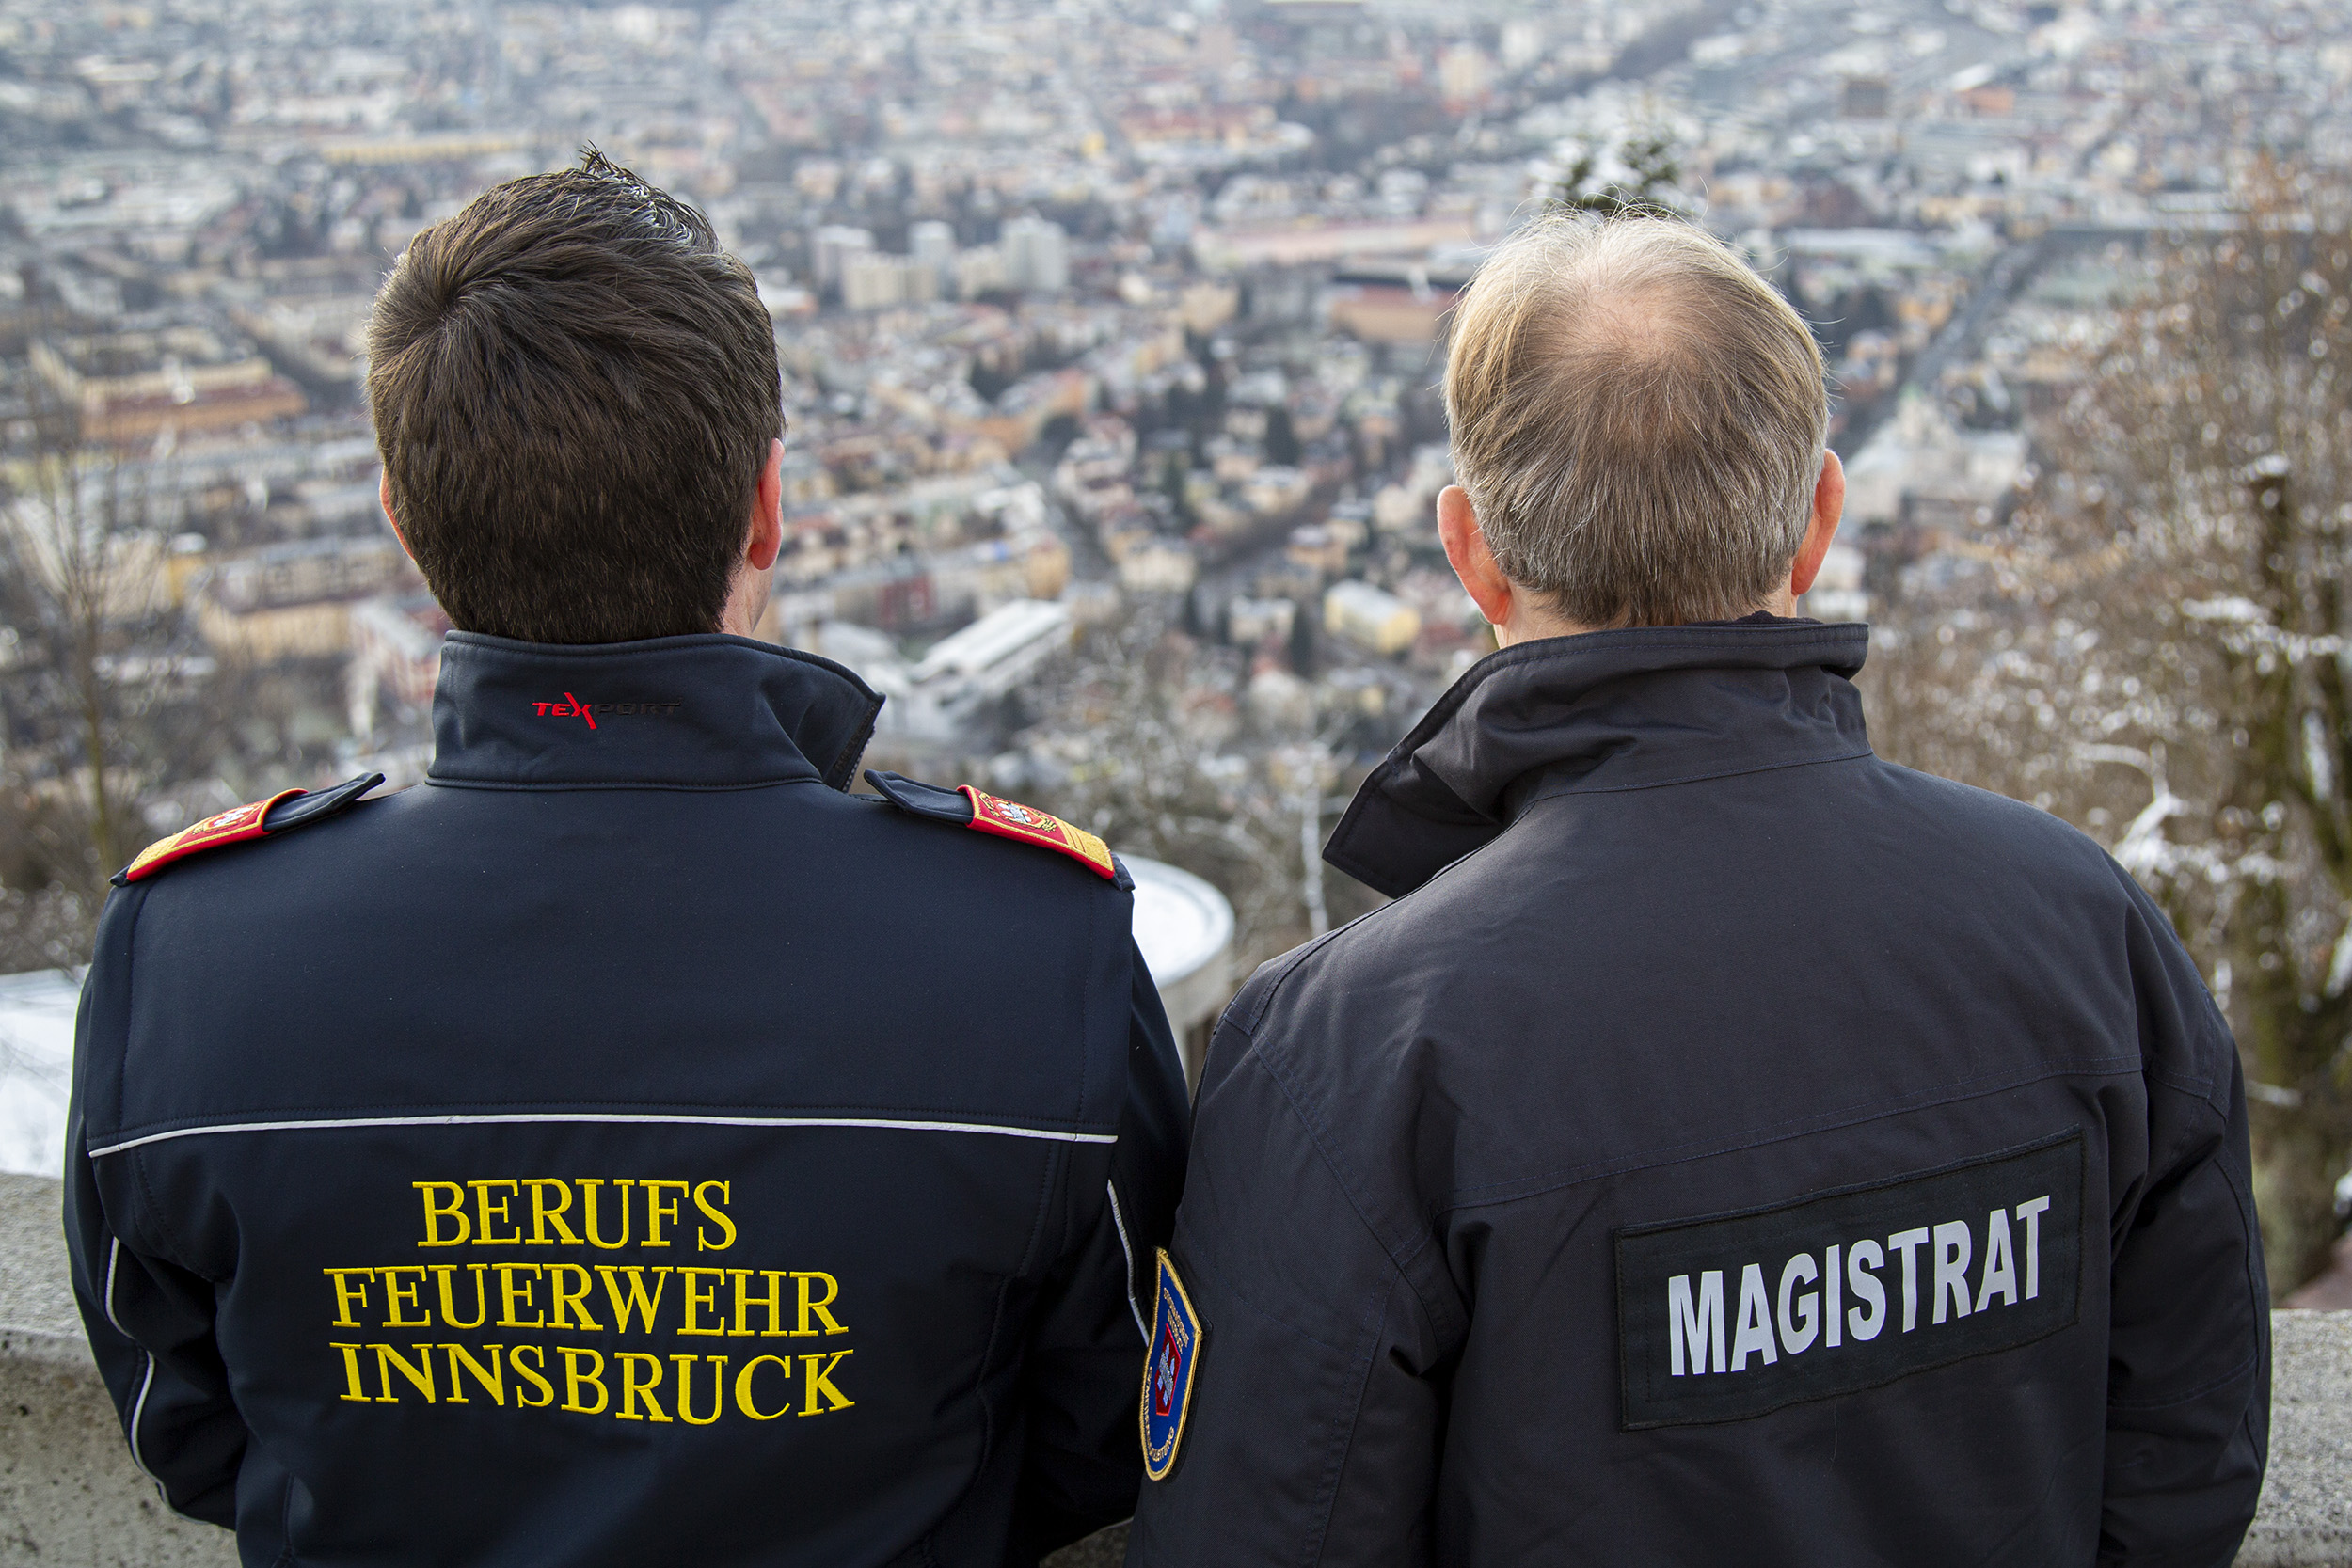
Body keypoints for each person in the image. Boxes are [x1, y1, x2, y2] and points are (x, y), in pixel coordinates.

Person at [65, 151, 1188, 1568]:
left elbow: (187, 1427)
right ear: (766, 509)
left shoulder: (189, 956)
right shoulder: (1032, 953)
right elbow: (1109, 1433)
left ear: (406, 526)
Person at [1125, 214, 2267, 1566]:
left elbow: (1271, 1530)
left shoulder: (1351, 1049)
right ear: (1817, 521)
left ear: (1471, 553)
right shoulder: (2086, 929)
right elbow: (2187, 1451)